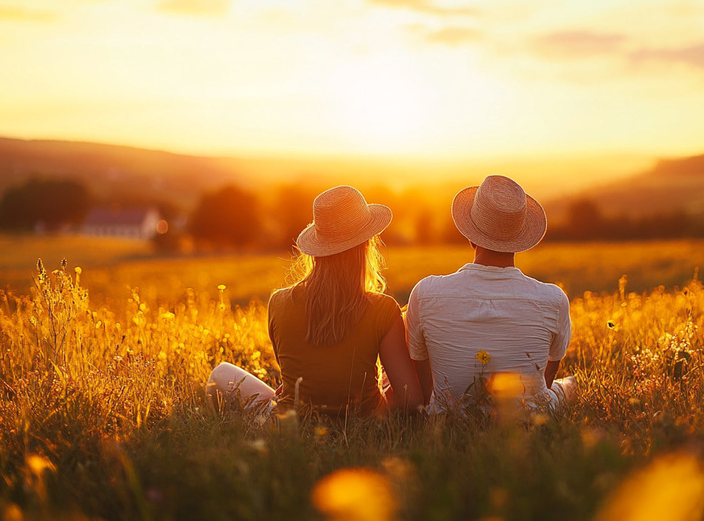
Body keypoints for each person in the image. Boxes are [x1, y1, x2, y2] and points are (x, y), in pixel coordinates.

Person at [207, 185, 424, 417]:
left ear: (318, 249)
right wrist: (379, 408)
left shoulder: (279, 302)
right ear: (366, 246)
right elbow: (411, 400)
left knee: (221, 373)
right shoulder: (383, 309)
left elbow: (300, 375)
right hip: (363, 422)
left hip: (290, 423)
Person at [405, 175, 575, 414]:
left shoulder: (425, 293)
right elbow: (547, 376)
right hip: (527, 416)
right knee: (570, 385)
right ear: (520, 239)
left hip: (448, 415)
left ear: (470, 236)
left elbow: (422, 374)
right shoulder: (554, 299)